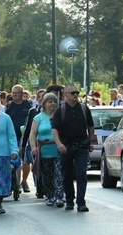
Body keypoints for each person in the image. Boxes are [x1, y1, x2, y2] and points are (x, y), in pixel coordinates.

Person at [51, 84, 94, 212]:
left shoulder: (84, 109)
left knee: (81, 174)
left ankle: (81, 202)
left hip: (81, 147)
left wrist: (91, 141)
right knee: (67, 175)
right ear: (66, 95)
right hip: (66, 147)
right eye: (72, 93)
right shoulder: (60, 110)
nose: (75, 95)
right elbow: (54, 129)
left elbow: (91, 126)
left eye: (77, 93)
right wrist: (59, 144)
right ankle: (70, 200)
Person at [29, 93, 64, 207]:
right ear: (44, 104)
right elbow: (33, 134)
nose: (53, 104)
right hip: (44, 151)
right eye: (50, 101)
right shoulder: (38, 118)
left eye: (54, 101)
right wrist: (33, 147)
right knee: (47, 175)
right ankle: (50, 196)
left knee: (59, 173)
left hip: (58, 150)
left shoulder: (60, 116)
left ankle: (59, 196)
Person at [5, 84, 32, 193]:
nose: (15, 95)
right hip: (13, 136)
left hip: (26, 136)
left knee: (26, 160)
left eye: (17, 93)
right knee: (15, 159)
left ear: (22, 94)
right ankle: (16, 183)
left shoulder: (28, 104)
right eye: (13, 93)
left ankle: (24, 181)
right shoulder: (9, 106)